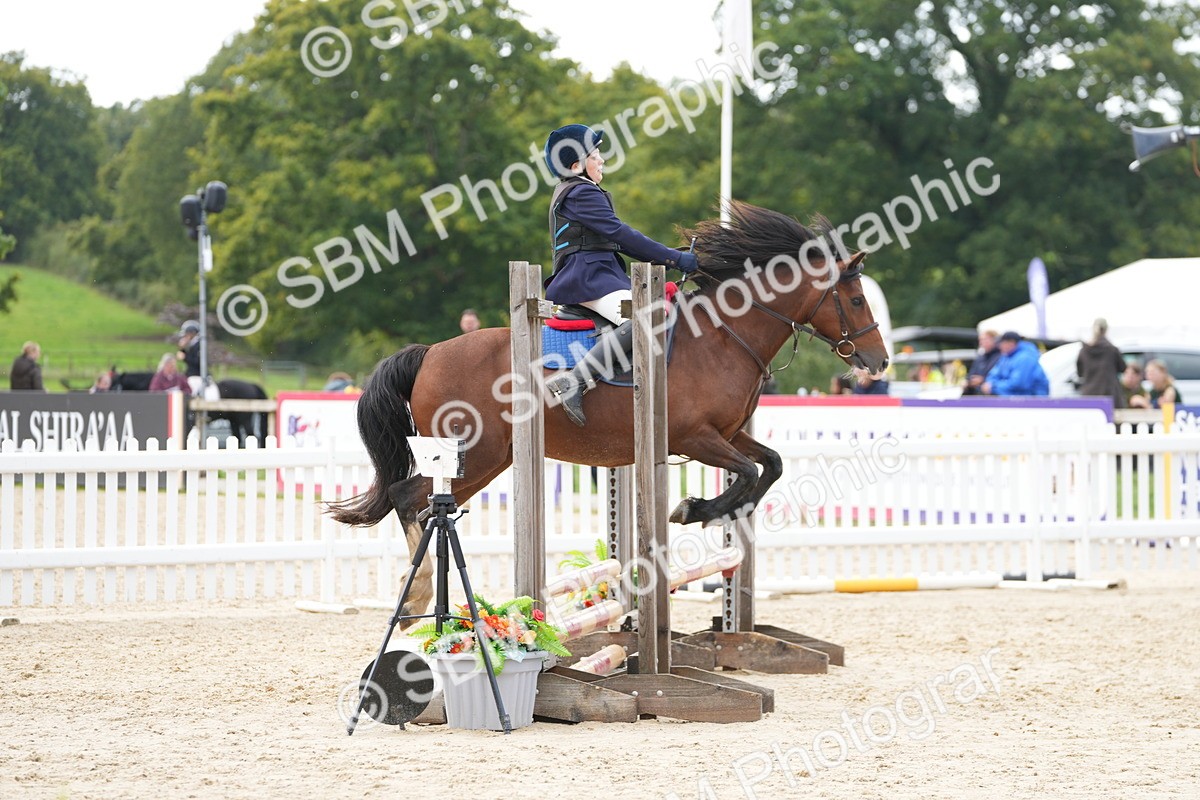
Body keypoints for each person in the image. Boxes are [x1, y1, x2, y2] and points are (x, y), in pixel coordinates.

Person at [541, 123, 699, 426]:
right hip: (587, 279)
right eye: (595, 154)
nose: (602, 160)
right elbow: (622, 234)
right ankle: (574, 381)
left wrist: (670, 259)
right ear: (576, 165)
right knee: (648, 316)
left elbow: (618, 241)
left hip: (598, 276)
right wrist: (676, 258)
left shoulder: (581, 191)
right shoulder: (580, 193)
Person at [1076, 317, 1126, 408]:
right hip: (1110, 397)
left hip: (1089, 396)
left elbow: (1080, 373)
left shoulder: (1084, 351)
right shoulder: (1112, 350)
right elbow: (1123, 368)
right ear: (1106, 330)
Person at [982, 331, 1049, 396]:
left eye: (1002, 343)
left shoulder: (1025, 358)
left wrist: (993, 386)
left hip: (1034, 403)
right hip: (1015, 400)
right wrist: (990, 384)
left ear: (1011, 343)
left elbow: (1019, 384)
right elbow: (992, 375)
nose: (999, 346)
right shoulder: (1005, 356)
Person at [963, 330, 1000, 395]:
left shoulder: (1001, 357)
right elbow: (971, 374)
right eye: (980, 340)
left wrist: (983, 380)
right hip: (976, 393)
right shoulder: (980, 357)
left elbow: (1000, 376)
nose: (981, 343)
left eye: (984, 340)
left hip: (992, 394)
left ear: (994, 340)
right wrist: (967, 381)